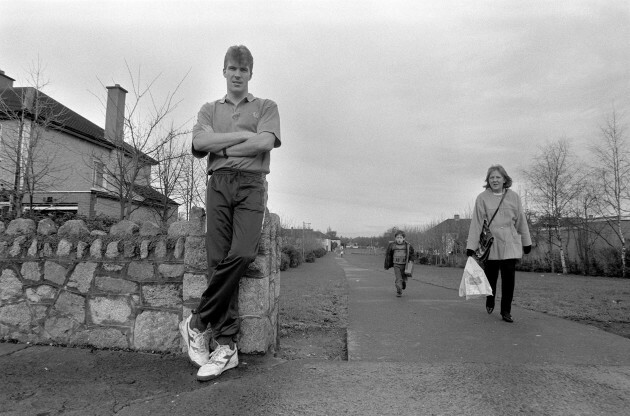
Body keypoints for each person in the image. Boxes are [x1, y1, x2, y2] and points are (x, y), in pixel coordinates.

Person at [180, 45, 281, 381]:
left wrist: (219, 144)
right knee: (216, 259)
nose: (237, 74)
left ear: (251, 73)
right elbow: (197, 144)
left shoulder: (266, 106)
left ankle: (196, 322)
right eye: (232, 68)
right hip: (218, 183)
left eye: (243, 69)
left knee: (242, 253)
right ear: (224, 71)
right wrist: (240, 136)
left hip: (252, 184)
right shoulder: (209, 108)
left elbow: (265, 142)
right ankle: (226, 345)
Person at [466, 164, 531, 323]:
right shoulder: (482, 198)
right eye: (492, 177)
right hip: (491, 243)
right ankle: (490, 298)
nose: (495, 180)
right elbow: (477, 223)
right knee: (491, 277)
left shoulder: (514, 197)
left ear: (504, 179)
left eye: (498, 177)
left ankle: (506, 310)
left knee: (509, 279)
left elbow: (521, 219)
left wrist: (526, 241)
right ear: (488, 180)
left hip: (510, 241)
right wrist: (471, 246)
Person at [384, 230, 415, 297]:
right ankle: (399, 291)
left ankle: (403, 283)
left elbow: (412, 254)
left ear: (403, 238)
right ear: (395, 238)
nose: (399, 239)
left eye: (400, 237)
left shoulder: (408, 245)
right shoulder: (392, 245)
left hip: (405, 265)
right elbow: (388, 254)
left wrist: (411, 261)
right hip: (396, 265)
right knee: (398, 278)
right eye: (397, 237)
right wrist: (388, 263)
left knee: (403, 278)